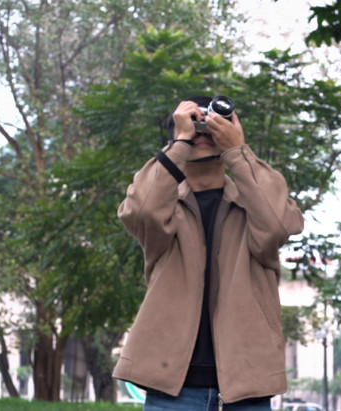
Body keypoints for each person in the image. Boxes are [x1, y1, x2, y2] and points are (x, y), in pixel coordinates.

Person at [113, 95, 304, 410]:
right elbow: (141, 211)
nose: (202, 131)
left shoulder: (253, 204)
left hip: (247, 386)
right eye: (194, 125)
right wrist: (179, 143)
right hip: (171, 388)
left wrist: (237, 152)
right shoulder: (163, 208)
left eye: (212, 123)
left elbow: (279, 224)